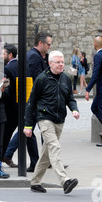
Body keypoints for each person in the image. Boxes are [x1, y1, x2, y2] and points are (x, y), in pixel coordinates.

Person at [24, 50, 80, 194]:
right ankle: (64, 180)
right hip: (44, 118)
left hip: (59, 120)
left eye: (62, 62)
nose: (61, 64)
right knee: (54, 147)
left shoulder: (66, 78)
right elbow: (31, 102)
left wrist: (74, 109)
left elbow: (70, 98)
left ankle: (35, 182)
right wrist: (28, 125)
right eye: (58, 62)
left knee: (47, 154)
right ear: (50, 63)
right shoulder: (42, 79)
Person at [2, 32, 52, 171]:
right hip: (32, 100)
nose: (49, 47)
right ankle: (39, 161)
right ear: (41, 43)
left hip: (29, 100)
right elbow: (38, 80)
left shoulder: (34, 56)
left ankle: (12, 155)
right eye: (48, 44)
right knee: (28, 129)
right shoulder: (34, 57)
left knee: (28, 130)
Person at [84, 36, 102, 147]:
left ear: (95, 45)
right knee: (94, 108)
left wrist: (87, 89)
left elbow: (95, 75)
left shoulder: (98, 56)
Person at [1, 44, 18, 164]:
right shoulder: (22, 65)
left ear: (10, 55)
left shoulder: (7, 69)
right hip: (20, 105)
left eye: (3, 54)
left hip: (10, 108)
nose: (2, 56)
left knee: (5, 135)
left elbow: (6, 90)